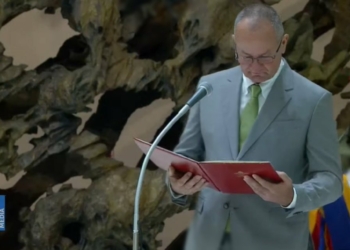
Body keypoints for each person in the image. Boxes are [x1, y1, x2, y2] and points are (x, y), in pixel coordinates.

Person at [166, 3, 343, 250]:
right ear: (234, 44)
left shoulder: (313, 100)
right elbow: (187, 155)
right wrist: (177, 184)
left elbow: (331, 181)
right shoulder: (209, 87)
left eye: (265, 57)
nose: (255, 67)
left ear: (283, 44)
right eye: (246, 56)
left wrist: (292, 196)